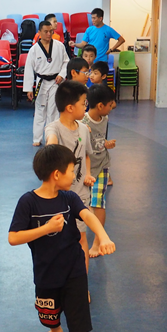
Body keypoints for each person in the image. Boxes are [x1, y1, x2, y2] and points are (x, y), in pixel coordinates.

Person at [8, 144, 115, 332]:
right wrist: (45, 228)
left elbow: (88, 216)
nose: (74, 176)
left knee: (78, 322)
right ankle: (55, 330)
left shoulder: (69, 198)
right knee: (48, 313)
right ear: (56, 174)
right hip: (46, 271)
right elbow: (13, 237)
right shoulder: (28, 202)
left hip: (74, 270)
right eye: (71, 171)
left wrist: (103, 236)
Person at [45, 80, 94, 277]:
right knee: (58, 240)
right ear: (70, 107)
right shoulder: (54, 128)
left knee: (81, 239)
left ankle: (82, 284)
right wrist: (51, 148)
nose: (86, 106)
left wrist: (88, 174)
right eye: (83, 103)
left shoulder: (83, 128)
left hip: (80, 195)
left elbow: (87, 155)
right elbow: (51, 142)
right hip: (58, 198)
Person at [82, 85, 117, 257]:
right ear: (100, 105)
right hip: (86, 169)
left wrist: (106, 144)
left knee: (98, 203)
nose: (112, 107)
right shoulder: (83, 123)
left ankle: (98, 241)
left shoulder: (105, 118)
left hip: (102, 165)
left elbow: (100, 140)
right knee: (85, 202)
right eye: (110, 104)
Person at [23, 20, 69, 146]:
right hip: (41, 82)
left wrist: (61, 74)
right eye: (46, 32)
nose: (49, 34)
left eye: (51, 31)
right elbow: (29, 69)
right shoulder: (34, 50)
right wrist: (29, 89)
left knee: (53, 111)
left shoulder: (59, 46)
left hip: (55, 81)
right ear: (39, 32)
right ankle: (37, 139)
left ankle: (51, 137)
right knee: (40, 110)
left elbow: (66, 62)